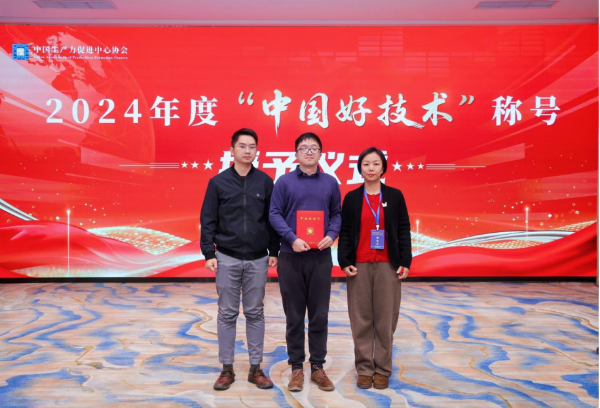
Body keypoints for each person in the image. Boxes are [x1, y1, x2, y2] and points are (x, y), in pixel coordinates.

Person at [200, 128, 280, 391]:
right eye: (242, 146)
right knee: (227, 313)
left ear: (257, 150)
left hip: (258, 259)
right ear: (232, 149)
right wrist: (209, 253)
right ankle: (227, 369)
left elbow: (272, 220)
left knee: (255, 313)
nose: (247, 151)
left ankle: (256, 368)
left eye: (252, 146)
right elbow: (208, 219)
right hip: (227, 257)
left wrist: (274, 251)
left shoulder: (265, 182)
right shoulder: (218, 182)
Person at [269, 132, 342, 392]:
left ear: (321, 153)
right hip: (291, 257)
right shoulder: (284, 182)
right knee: (294, 316)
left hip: (320, 258)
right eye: (304, 148)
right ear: (296, 154)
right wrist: (292, 238)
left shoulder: (330, 182)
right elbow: (274, 213)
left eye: (314, 148)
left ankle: (318, 367)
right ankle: (297, 368)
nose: (309, 152)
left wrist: (331, 234)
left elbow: (336, 214)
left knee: (320, 315)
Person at [337, 146, 412, 390]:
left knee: (385, 319)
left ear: (383, 168)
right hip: (358, 266)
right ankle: (364, 369)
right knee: (361, 319)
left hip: (388, 266)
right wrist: (344, 261)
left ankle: (382, 369)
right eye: (366, 164)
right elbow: (345, 232)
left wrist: (406, 260)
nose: (371, 168)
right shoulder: (352, 198)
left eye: (376, 164)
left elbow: (403, 229)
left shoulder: (395, 196)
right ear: (360, 168)